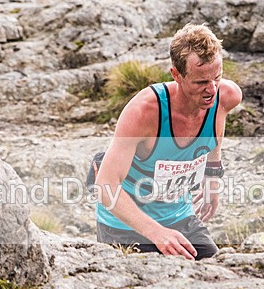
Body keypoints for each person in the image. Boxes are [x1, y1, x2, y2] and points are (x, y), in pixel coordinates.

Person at [92, 23, 242, 260]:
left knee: (216, 273)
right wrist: (157, 233)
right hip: (125, 227)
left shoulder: (227, 97)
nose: (212, 90)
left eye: (217, 77)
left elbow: (215, 133)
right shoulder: (144, 112)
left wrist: (212, 174)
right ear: (176, 75)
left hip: (179, 217)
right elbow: (105, 186)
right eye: (201, 82)